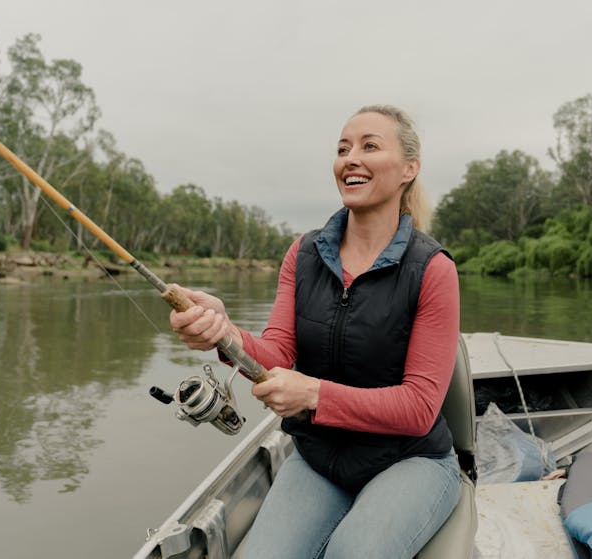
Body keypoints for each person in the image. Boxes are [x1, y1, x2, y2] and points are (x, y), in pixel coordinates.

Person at [169, 104, 461, 559]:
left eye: (369, 146)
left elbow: (421, 407)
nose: (350, 158)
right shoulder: (303, 254)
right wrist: (224, 334)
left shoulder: (433, 270)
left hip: (412, 459)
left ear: (409, 169)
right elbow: (278, 357)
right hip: (319, 458)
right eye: (343, 149)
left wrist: (314, 395)